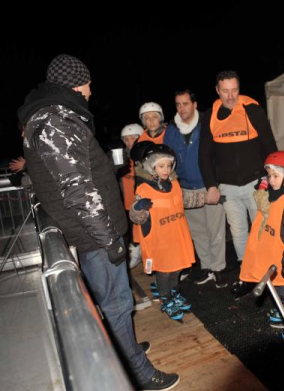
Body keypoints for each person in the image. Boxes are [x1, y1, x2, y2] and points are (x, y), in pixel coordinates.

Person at [17, 54, 178, 390]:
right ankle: (137, 371)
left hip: (92, 232)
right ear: (75, 83)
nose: (91, 91)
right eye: (88, 83)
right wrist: (109, 238)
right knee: (117, 304)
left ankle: (124, 349)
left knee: (115, 304)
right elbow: (77, 190)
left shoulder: (58, 116)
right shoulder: (54, 121)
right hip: (95, 236)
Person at [199, 70, 278, 298]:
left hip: (256, 183)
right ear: (217, 90)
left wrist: (271, 178)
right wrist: (211, 185)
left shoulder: (253, 110)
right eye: (225, 91)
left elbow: (269, 146)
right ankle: (247, 275)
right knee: (239, 231)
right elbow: (204, 155)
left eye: (234, 90)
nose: (231, 96)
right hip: (227, 187)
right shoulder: (210, 116)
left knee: (262, 229)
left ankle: (269, 275)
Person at [239, 151, 284, 338]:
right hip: (276, 253)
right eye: (269, 175)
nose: (271, 180)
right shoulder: (278, 193)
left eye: (275, 176)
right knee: (278, 284)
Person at [164, 89, 227, 288]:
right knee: (198, 232)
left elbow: (217, 154)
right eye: (178, 105)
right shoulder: (172, 129)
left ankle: (218, 269)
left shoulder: (206, 124)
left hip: (208, 185)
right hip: (186, 188)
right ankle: (207, 266)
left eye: (185, 104)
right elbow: (168, 158)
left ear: (194, 104)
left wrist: (215, 183)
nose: (182, 108)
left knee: (215, 230)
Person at [130, 143, 195, 322]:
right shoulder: (144, 189)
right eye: (161, 166)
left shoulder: (174, 184)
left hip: (177, 236)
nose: (165, 170)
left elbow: (186, 199)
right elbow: (136, 217)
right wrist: (138, 207)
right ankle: (166, 299)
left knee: (177, 269)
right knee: (165, 272)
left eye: (168, 165)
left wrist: (207, 198)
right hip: (160, 240)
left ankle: (174, 294)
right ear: (151, 166)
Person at [119, 123, 144, 268]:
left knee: (141, 230)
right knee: (129, 232)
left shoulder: (143, 156)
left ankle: (141, 252)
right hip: (126, 202)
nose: (129, 142)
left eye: (133, 138)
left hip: (139, 202)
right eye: (126, 139)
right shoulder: (121, 158)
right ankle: (134, 252)